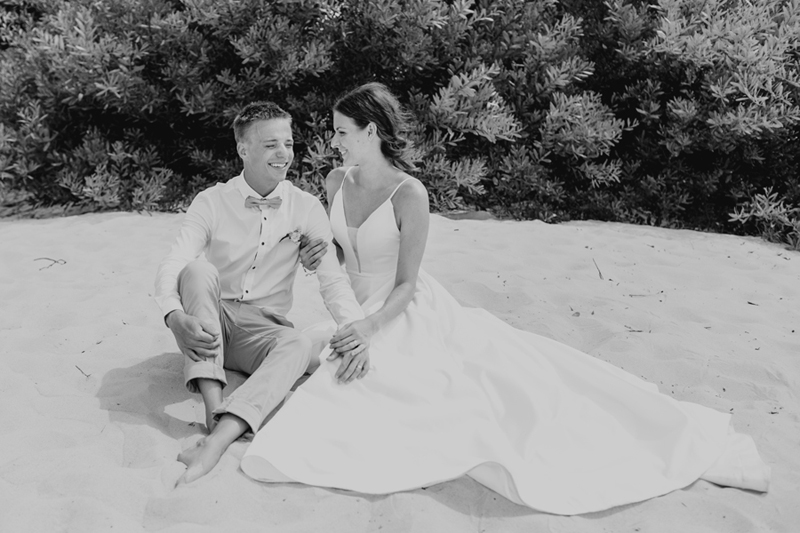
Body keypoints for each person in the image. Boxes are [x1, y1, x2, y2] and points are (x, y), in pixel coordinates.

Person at [239, 83, 771, 514]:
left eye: (341, 132)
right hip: (349, 305)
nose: (333, 142)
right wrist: (318, 254)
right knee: (331, 369)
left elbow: (405, 284)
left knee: (414, 390)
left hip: (396, 310)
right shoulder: (335, 179)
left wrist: (371, 328)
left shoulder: (410, 194)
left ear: (371, 131)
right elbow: (338, 248)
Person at [153, 101, 367, 485]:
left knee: (300, 345)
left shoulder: (305, 207)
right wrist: (173, 315)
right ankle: (212, 407)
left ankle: (219, 437)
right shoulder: (212, 200)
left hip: (261, 331)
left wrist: (355, 329)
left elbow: (332, 281)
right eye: (271, 145)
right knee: (197, 269)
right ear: (243, 150)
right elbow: (175, 262)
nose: (283, 153)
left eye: (288, 143)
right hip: (210, 320)